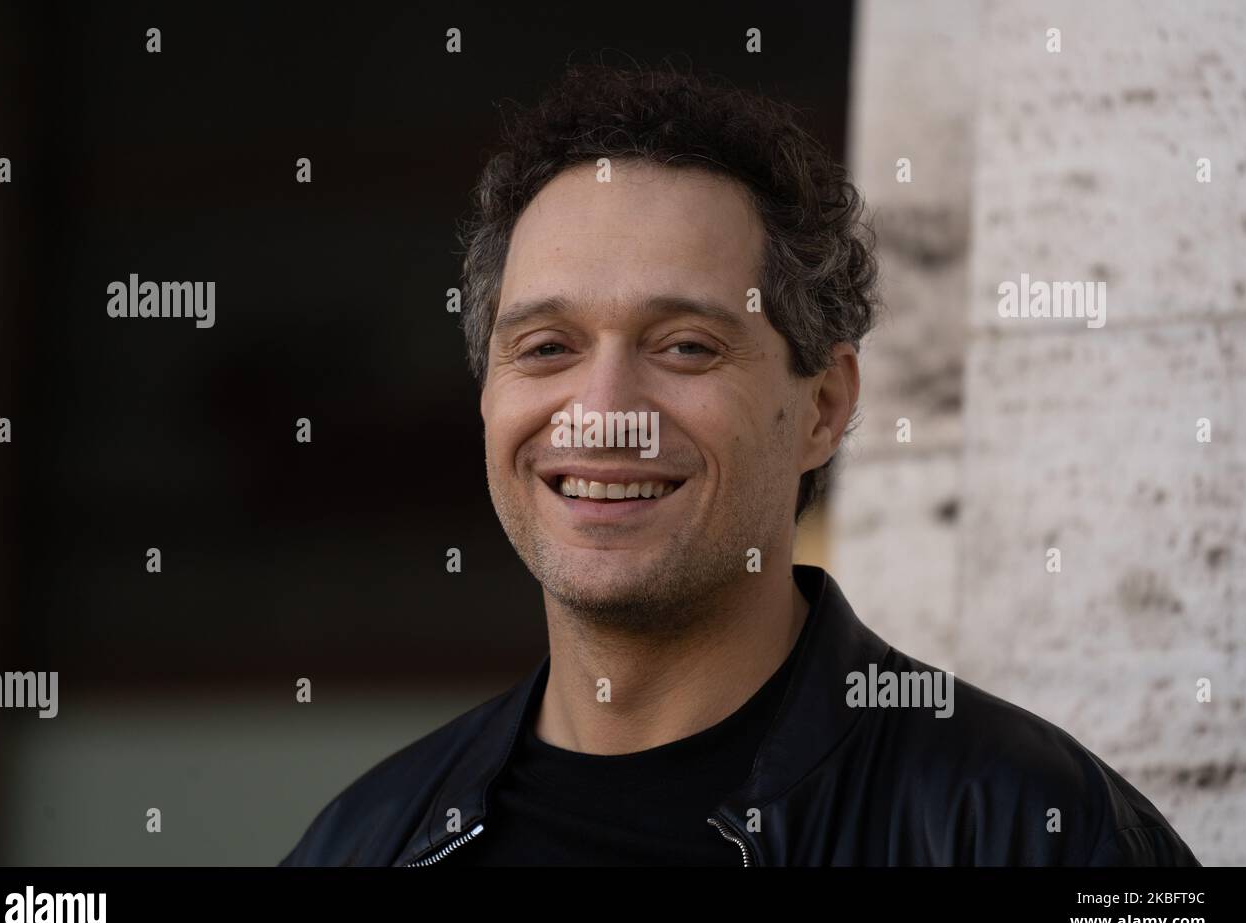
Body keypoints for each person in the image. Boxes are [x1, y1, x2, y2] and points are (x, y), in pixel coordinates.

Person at [280, 62, 1199, 866]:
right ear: (488, 395)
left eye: (684, 347)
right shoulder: (362, 844)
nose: (603, 416)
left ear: (824, 408)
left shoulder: (1035, 831)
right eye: (547, 347)